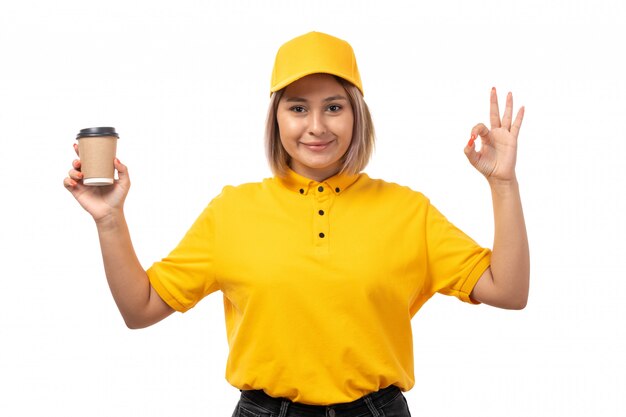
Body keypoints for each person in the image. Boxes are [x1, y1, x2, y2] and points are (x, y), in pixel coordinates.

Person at [64, 31, 529, 417]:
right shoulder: (232, 212)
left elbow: (507, 291)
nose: (316, 127)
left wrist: (502, 183)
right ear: (277, 118)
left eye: (333, 106)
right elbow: (140, 309)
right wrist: (110, 220)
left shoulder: (408, 211)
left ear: (356, 115)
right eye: (298, 107)